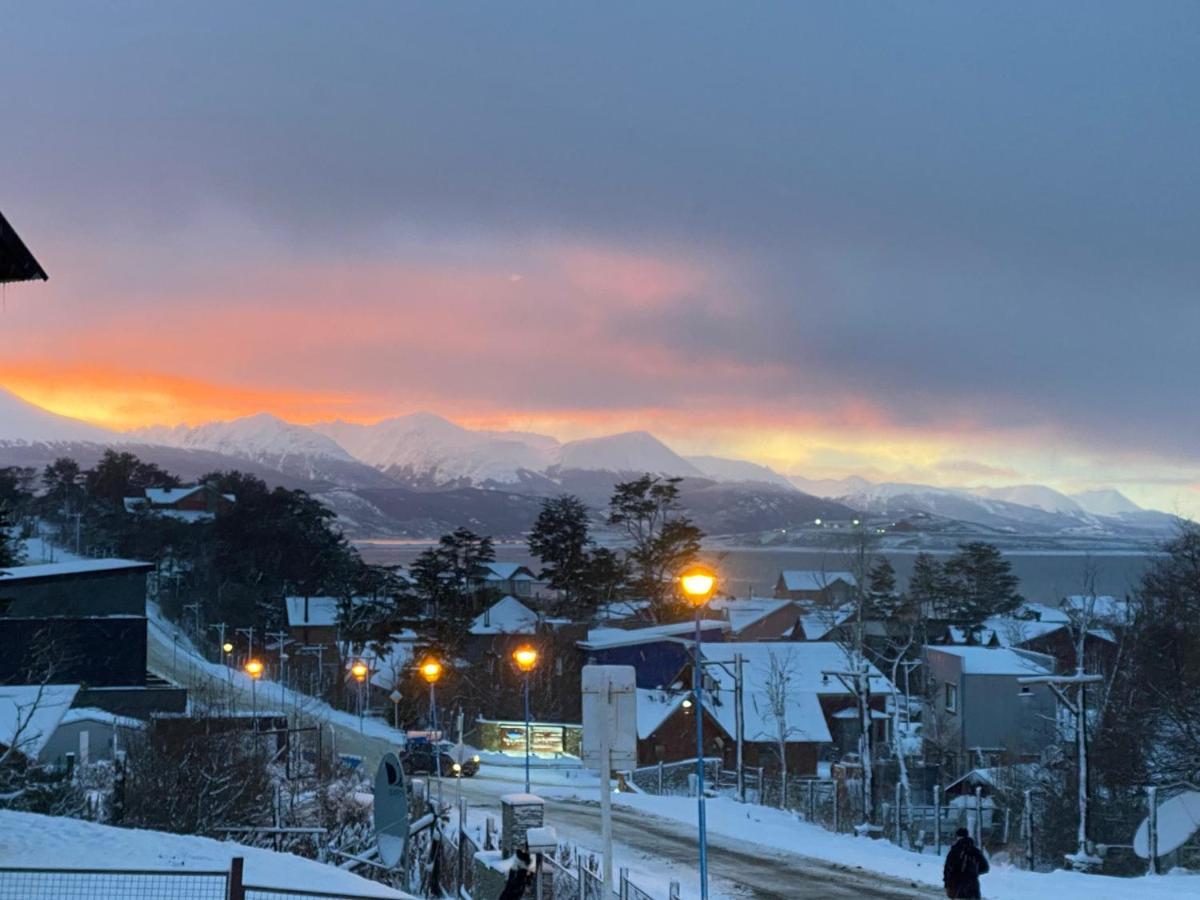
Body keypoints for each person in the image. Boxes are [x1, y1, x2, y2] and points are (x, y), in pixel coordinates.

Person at [944, 827, 989, 899]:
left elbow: (948, 868)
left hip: (957, 884)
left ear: (958, 837)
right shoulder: (975, 850)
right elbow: (985, 868)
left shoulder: (955, 850)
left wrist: (947, 883)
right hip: (973, 885)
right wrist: (973, 873)